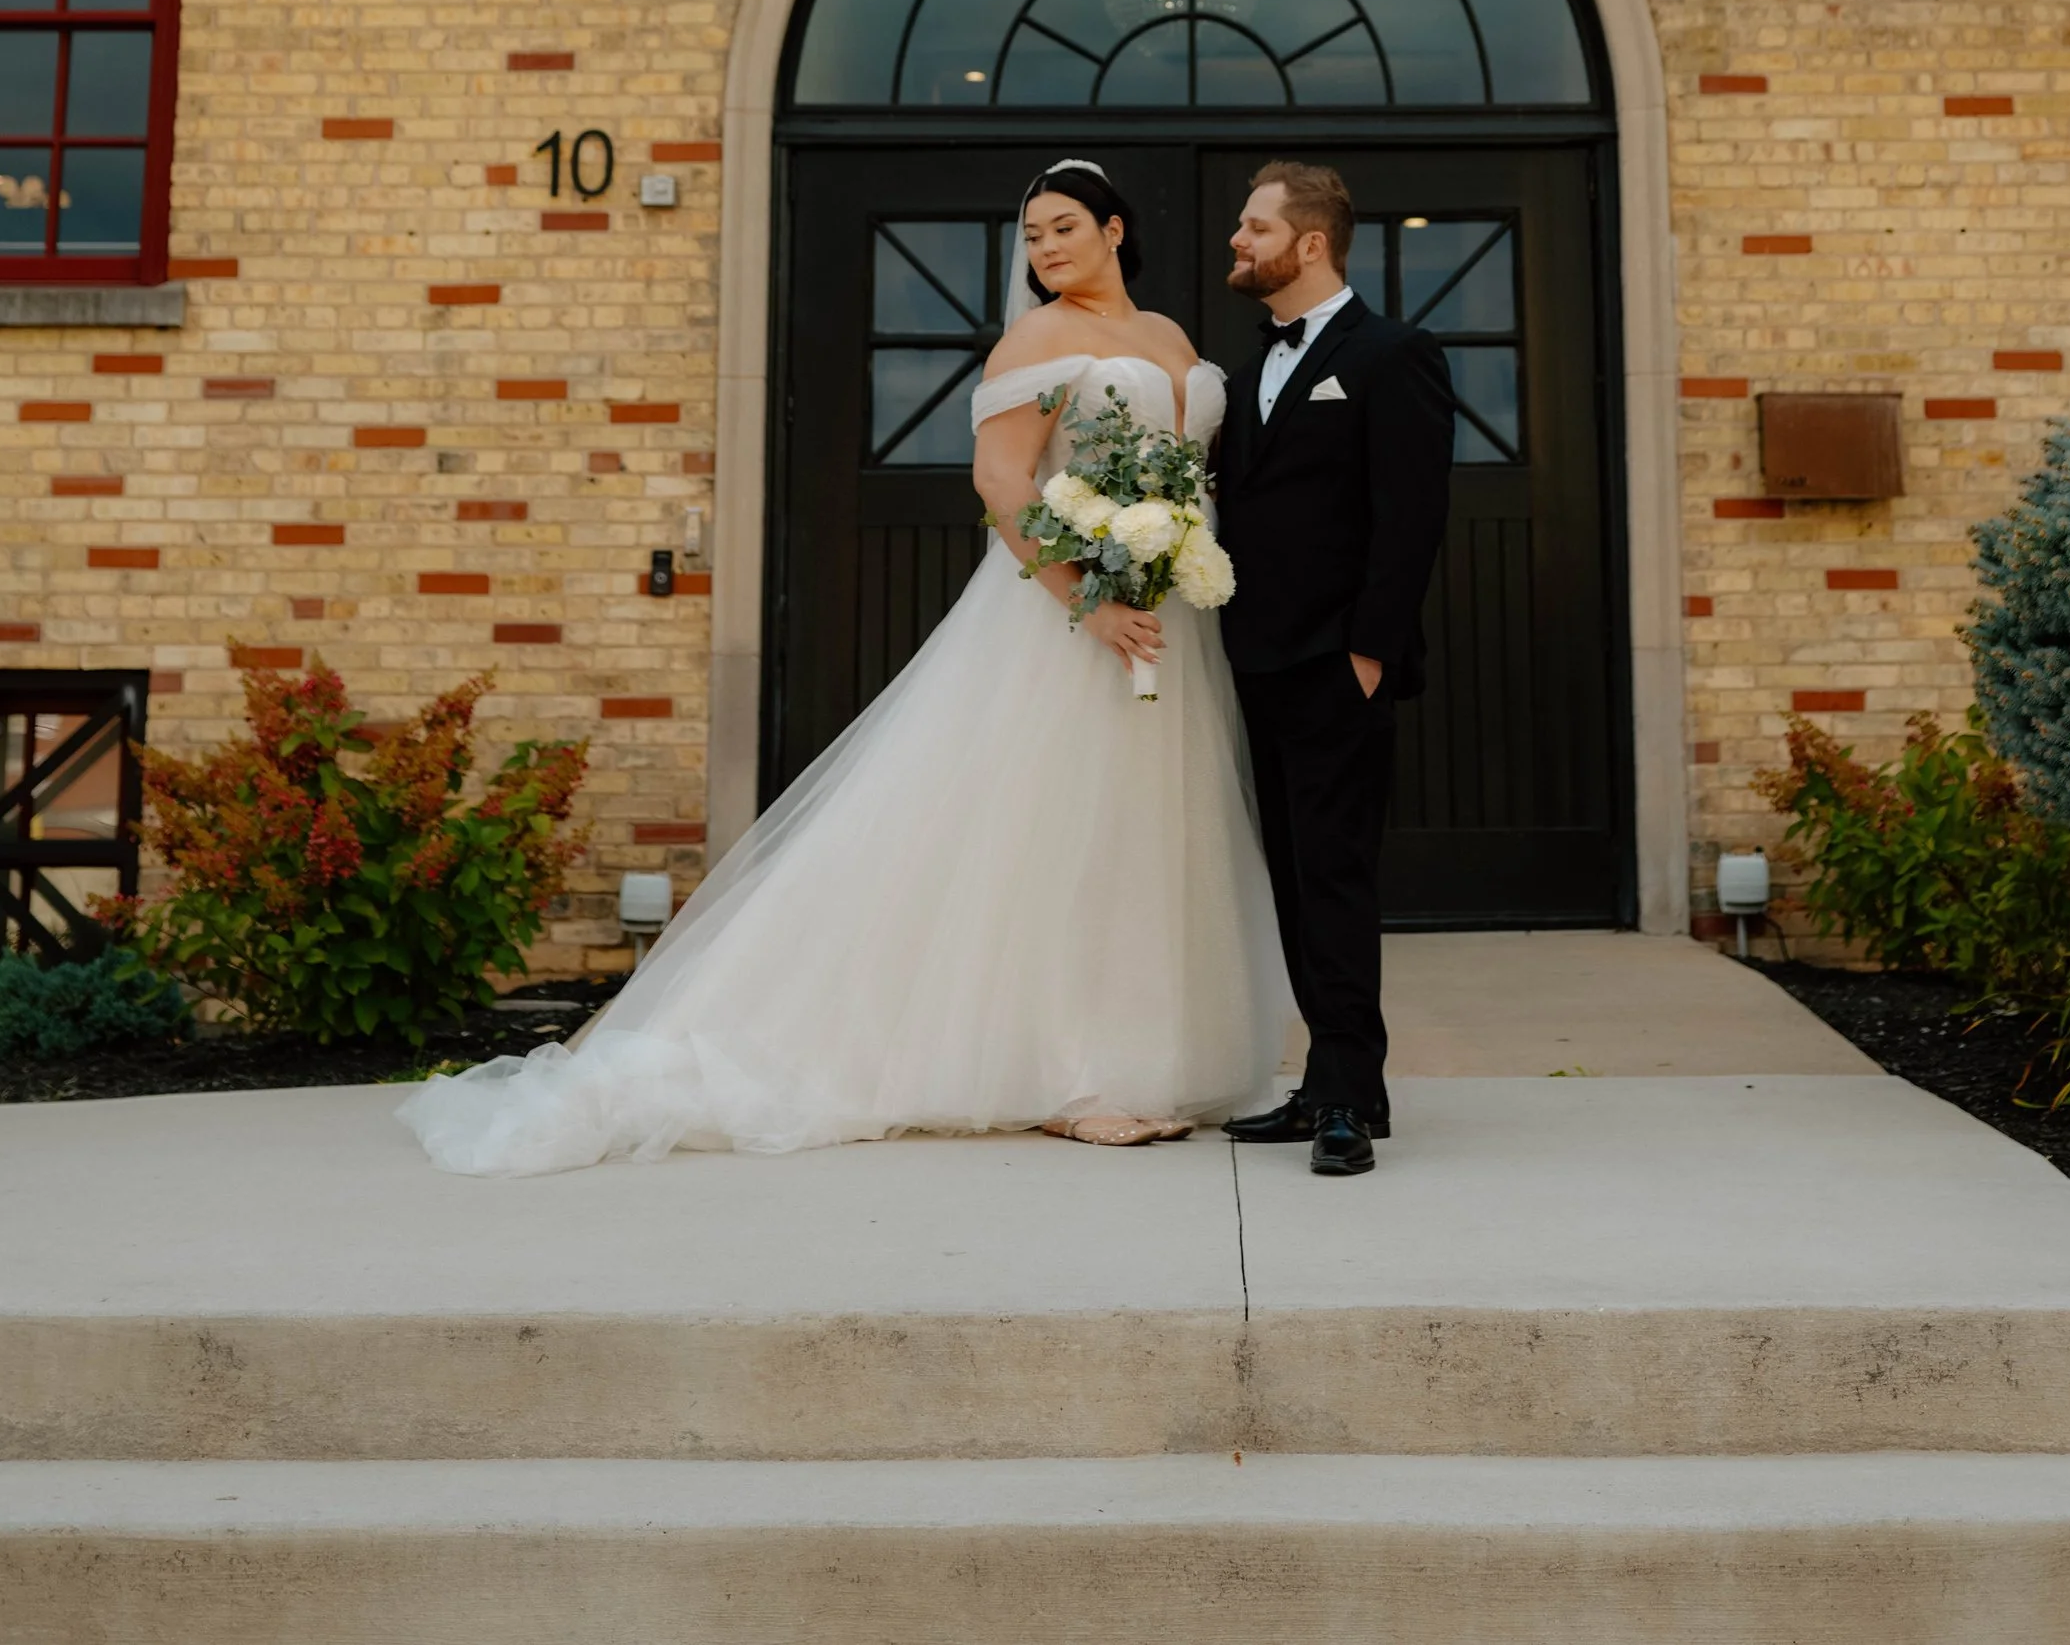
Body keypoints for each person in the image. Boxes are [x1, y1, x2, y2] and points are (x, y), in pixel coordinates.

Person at [401, 156, 1287, 1169]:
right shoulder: (1034, 338)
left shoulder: (1167, 336)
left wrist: (1168, 559)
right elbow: (1000, 482)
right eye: (1032, 235)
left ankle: (1147, 1050)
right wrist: (1087, 601)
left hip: (1169, 609)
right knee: (1054, 835)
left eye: (1063, 228)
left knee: (1145, 830)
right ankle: (1071, 1070)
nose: (1044, 250)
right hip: (1066, 621)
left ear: (1114, 230)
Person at [1212, 161, 1454, 1179]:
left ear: (1309, 242)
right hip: (1254, 659)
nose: (1237, 240)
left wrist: (1368, 651)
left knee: (1339, 880)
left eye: (1253, 226)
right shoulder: (1249, 362)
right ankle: (1323, 1083)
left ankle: (1349, 1095)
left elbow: (1411, 518)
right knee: (1295, 884)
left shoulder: (1393, 353)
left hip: (1333, 662)